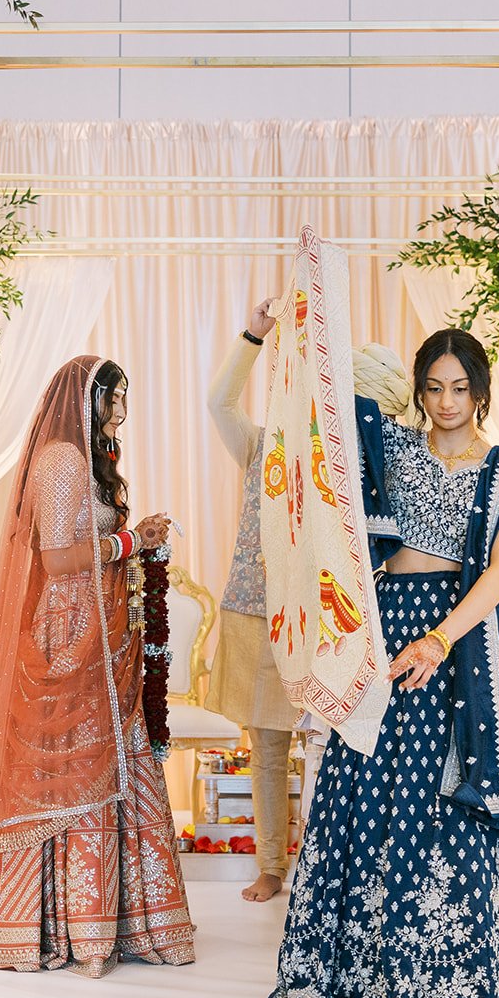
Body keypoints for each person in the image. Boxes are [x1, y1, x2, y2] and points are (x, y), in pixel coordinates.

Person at [269, 329, 499, 998]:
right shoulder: (394, 448)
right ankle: (365, 971)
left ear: (481, 390)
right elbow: (320, 424)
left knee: (448, 792)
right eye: (433, 387)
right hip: (383, 634)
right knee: (370, 790)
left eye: (459, 388)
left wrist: (439, 640)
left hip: (459, 644)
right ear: (418, 389)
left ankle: (454, 974)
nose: (446, 402)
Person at [0, 356, 196, 975]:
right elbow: (58, 556)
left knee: (112, 755)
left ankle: (109, 919)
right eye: (112, 399)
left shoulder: (87, 461)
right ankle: (52, 921)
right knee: (69, 762)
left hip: (100, 629)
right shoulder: (60, 461)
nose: (120, 413)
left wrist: (132, 535)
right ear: (86, 400)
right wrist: (131, 543)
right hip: (67, 632)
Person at [205, 298, 306, 903]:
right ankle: (271, 867)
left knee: (332, 749)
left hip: (324, 621)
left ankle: (327, 870)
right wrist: (253, 336)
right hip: (256, 612)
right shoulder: (259, 446)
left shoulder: (341, 463)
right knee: (269, 749)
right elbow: (219, 402)